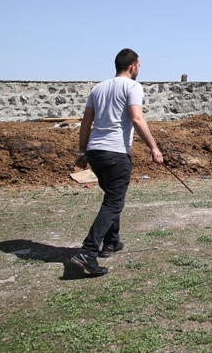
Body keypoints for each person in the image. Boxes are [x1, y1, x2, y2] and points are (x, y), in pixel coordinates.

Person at [70, 48, 164, 276]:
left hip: (95, 152)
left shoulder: (98, 88)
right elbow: (136, 118)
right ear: (132, 66)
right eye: (139, 66)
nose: (139, 70)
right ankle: (87, 252)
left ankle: (111, 242)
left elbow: (85, 122)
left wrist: (82, 152)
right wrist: (154, 147)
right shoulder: (133, 87)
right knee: (114, 202)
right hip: (115, 153)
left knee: (111, 196)